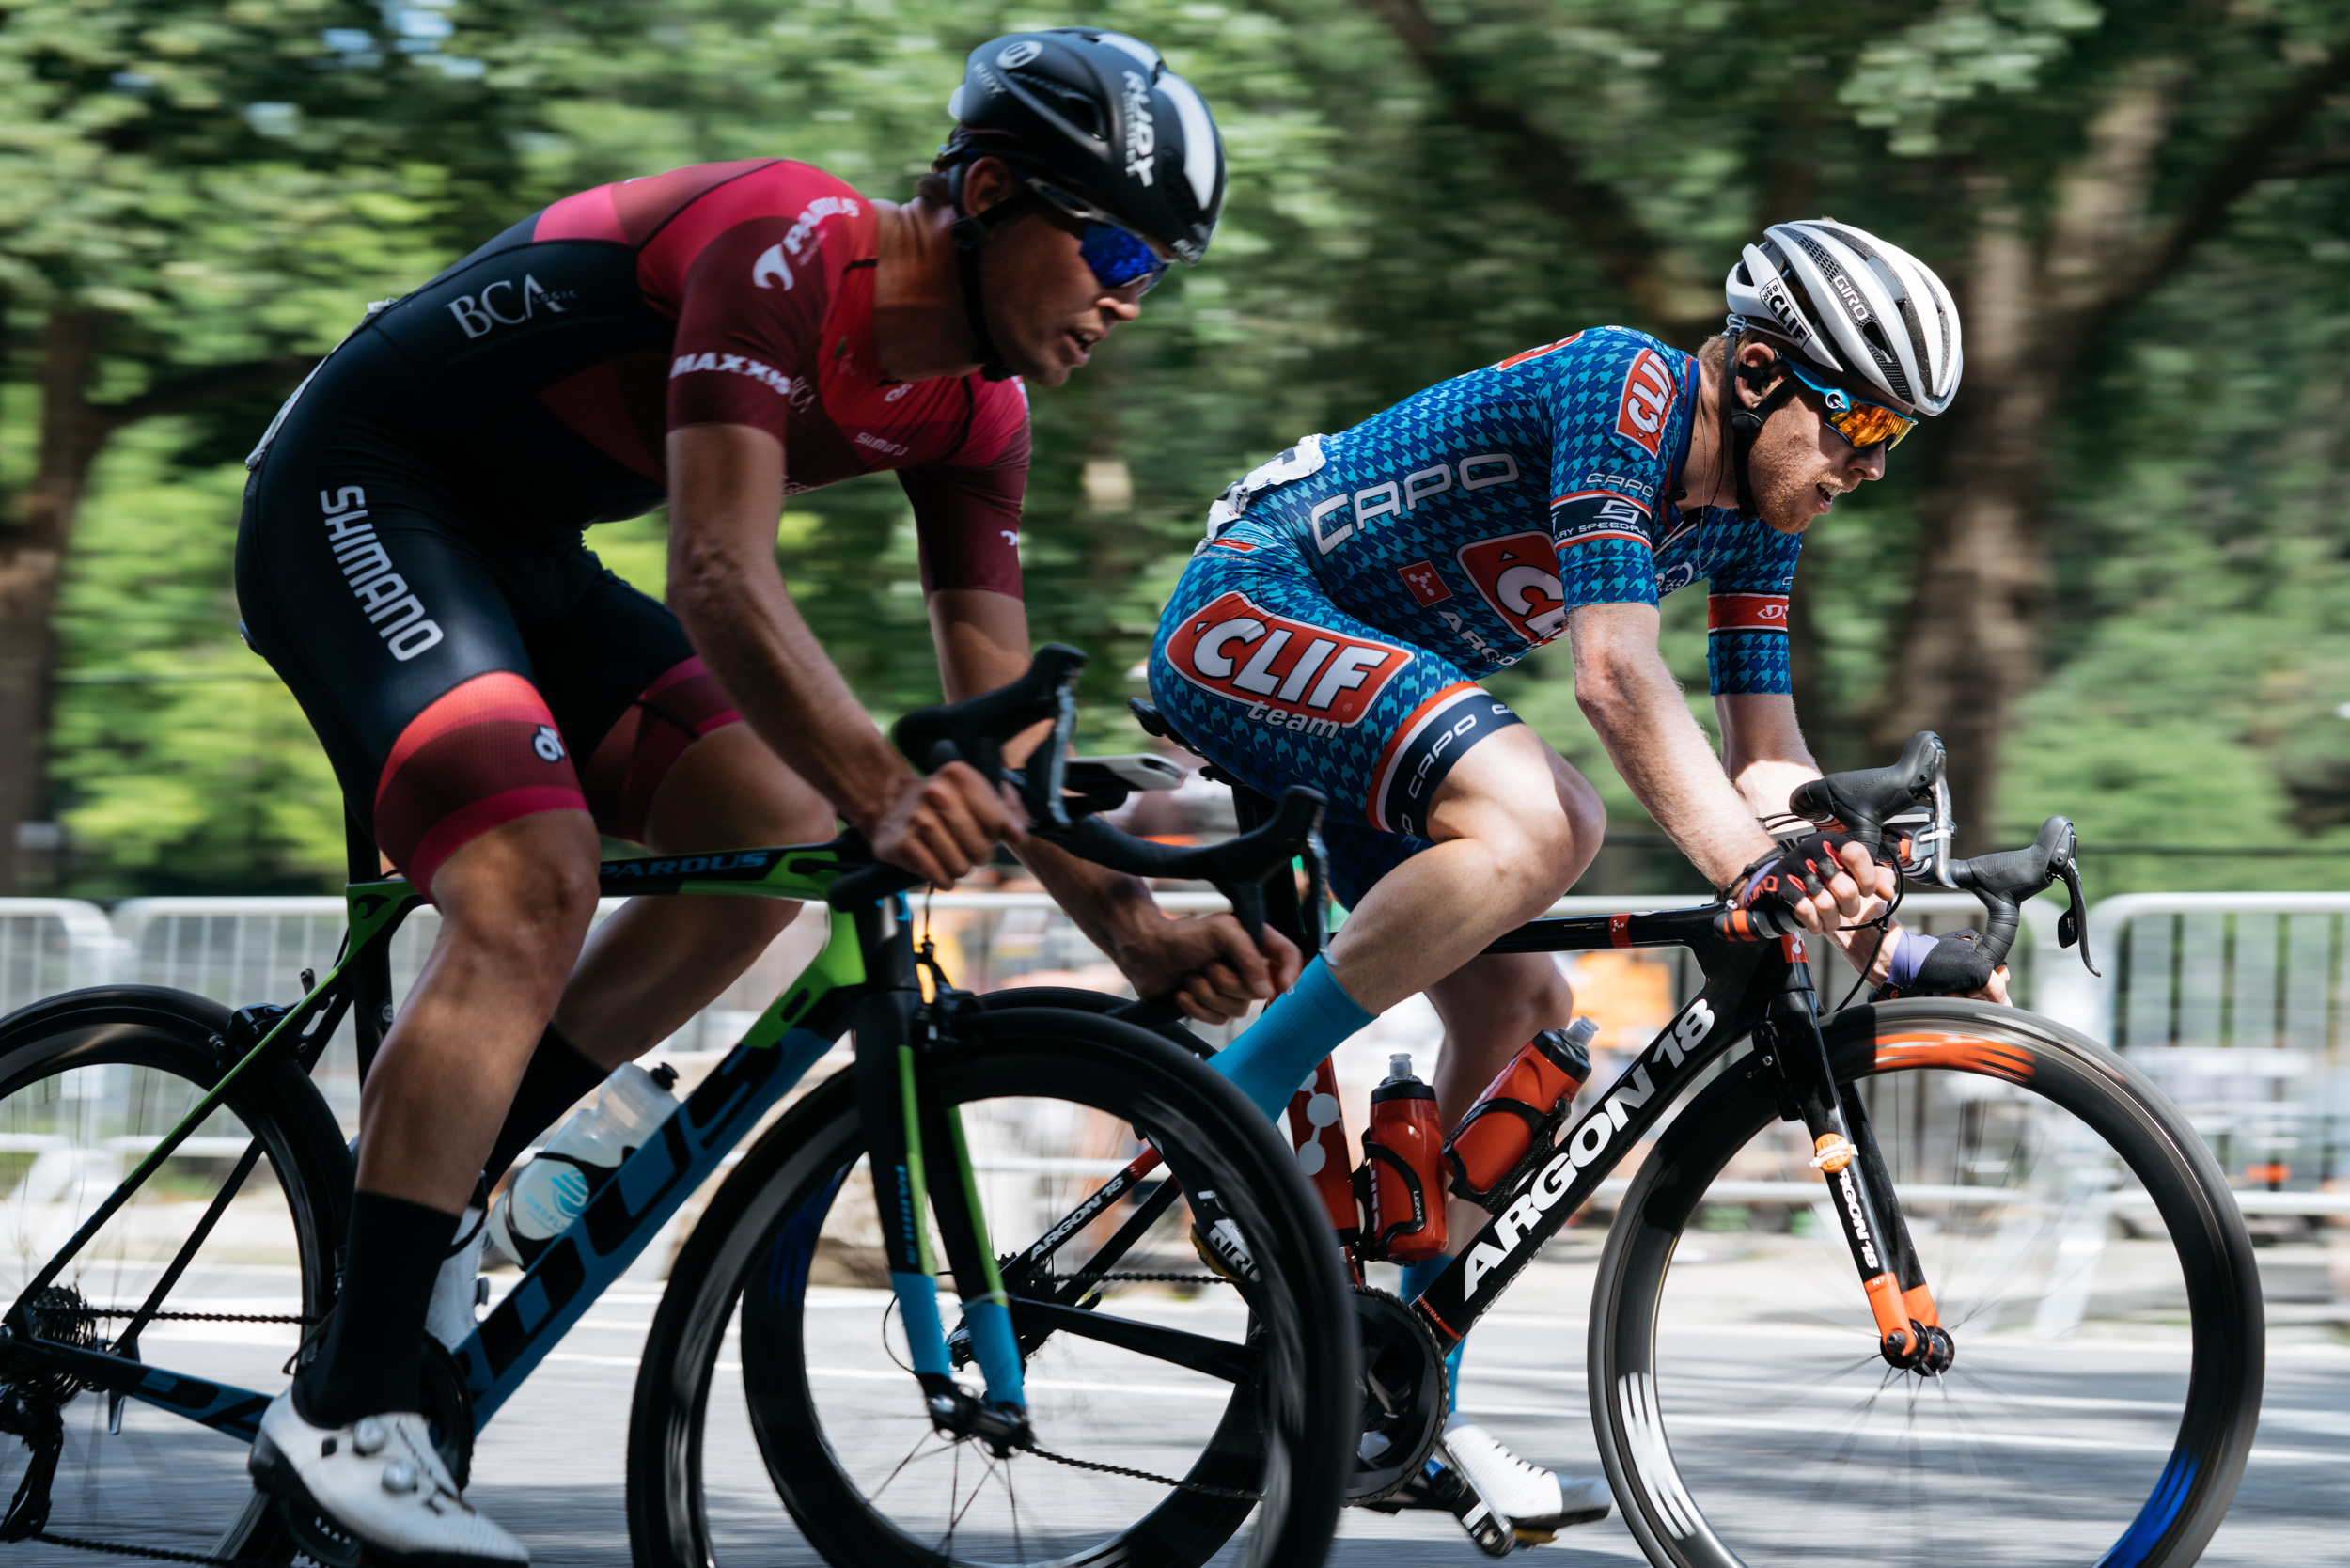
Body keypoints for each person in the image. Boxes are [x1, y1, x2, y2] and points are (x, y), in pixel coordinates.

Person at [235, 30, 1288, 1565]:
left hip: (522, 555)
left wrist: (1134, 927)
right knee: (536, 879)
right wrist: (882, 785)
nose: (1131, 293)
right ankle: (344, 1400)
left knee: (776, 837)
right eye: (1115, 244)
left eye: (1159, 266)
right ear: (989, 190)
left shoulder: (979, 414)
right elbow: (719, 569)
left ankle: (452, 1169)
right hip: (363, 488)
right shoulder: (789, 243)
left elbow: (997, 728)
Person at [1148, 219, 2001, 1534]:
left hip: (1385, 692)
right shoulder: (1629, 389)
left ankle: (1409, 1387)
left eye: (1892, 442)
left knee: (1527, 1023)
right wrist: (1749, 870)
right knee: (1551, 819)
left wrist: (1844, 887)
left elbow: (1765, 755)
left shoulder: (1751, 523)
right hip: (1254, 605)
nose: (1865, 467)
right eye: (1861, 426)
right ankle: (1223, 1100)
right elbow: (1611, 675)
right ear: (1765, 369)